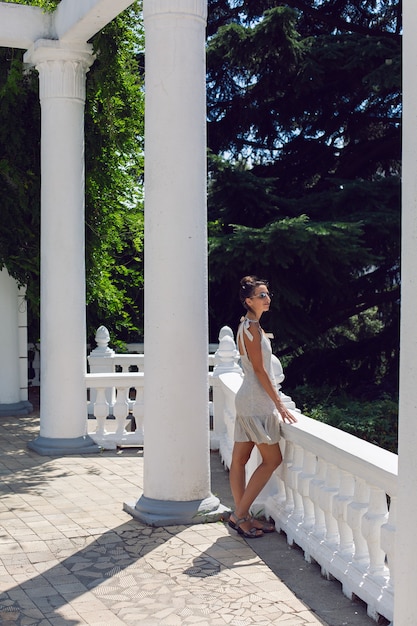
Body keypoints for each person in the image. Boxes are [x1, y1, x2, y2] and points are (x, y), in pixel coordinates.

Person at [228, 275, 297, 538]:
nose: (267, 299)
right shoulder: (253, 329)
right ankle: (239, 515)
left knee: (239, 460)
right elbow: (259, 370)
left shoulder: (246, 324)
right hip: (256, 402)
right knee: (273, 459)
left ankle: (243, 517)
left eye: (267, 294)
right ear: (249, 301)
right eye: (261, 295)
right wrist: (279, 404)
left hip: (248, 399)